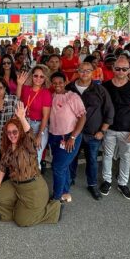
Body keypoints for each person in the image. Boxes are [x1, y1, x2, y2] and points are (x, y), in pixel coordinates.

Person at [0, 102, 61, 227]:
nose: (12, 135)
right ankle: (19, 210)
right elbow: (2, 166)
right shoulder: (8, 149)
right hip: (15, 185)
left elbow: (30, 135)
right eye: (9, 132)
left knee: (22, 221)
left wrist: (22, 118)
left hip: (33, 188)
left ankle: (54, 209)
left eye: (15, 131)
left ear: (20, 131)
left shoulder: (27, 145)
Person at [66, 61, 114, 200]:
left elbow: (109, 111)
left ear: (93, 72)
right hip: (73, 132)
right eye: (81, 70)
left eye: (88, 70)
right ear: (77, 71)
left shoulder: (100, 90)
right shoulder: (69, 88)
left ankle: (92, 184)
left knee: (92, 159)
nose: (84, 73)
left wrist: (102, 131)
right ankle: (70, 180)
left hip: (93, 133)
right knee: (71, 158)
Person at [100, 57, 130, 200]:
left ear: (129, 71)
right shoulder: (105, 86)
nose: (121, 71)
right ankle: (107, 181)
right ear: (113, 69)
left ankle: (123, 183)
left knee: (125, 157)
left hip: (128, 130)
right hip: (109, 129)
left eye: (124, 69)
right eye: (118, 68)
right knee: (107, 156)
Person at [47, 72, 86, 202]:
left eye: (60, 82)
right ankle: (65, 192)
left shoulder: (72, 97)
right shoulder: (51, 96)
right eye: (55, 83)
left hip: (69, 137)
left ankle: (57, 197)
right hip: (54, 137)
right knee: (63, 165)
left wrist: (73, 137)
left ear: (65, 82)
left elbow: (82, 117)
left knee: (58, 167)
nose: (57, 85)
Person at [16, 67, 51, 168]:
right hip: (25, 123)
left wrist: (40, 135)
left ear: (45, 78)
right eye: (36, 75)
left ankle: (36, 180)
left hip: (39, 126)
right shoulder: (26, 89)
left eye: (41, 76)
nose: (38, 78)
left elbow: (45, 117)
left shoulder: (46, 93)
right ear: (32, 76)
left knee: (36, 156)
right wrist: (19, 84)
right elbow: (17, 100)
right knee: (23, 154)